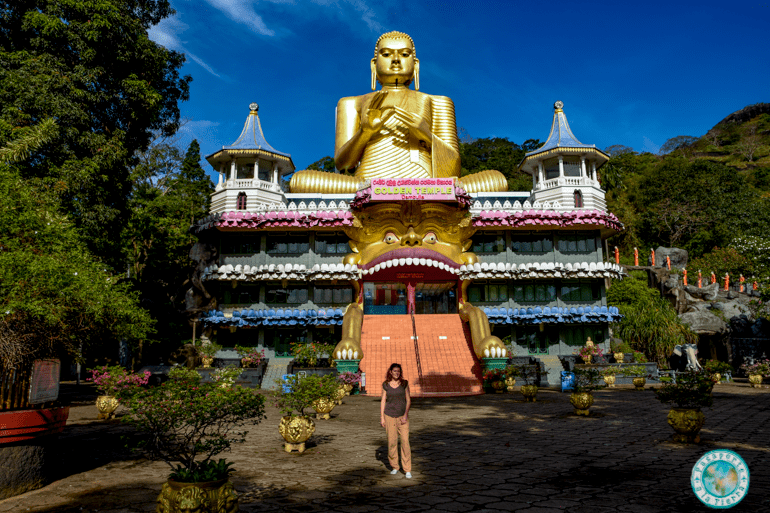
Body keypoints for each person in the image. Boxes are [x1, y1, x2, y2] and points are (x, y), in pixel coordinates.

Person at [290, 31, 506, 194]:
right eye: (386, 54)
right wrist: (365, 132)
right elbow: (343, 164)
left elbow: (452, 171)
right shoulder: (352, 103)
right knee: (300, 181)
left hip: (428, 185)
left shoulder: (437, 101)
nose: (395, 60)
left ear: (416, 65)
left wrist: (426, 136)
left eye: (404, 54)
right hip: (367, 184)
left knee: (496, 180)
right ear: (374, 65)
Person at [380, 363, 412, 478]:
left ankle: (407, 469)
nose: (396, 373)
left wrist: (405, 415)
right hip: (389, 416)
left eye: (398, 371)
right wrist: (382, 417)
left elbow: (408, 400)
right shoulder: (386, 385)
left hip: (402, 417)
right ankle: (395, 466)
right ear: (390, 372)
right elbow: (383, 401)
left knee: (405, 442)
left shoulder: (404, 384)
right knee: (392, 442)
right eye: (394, 371)